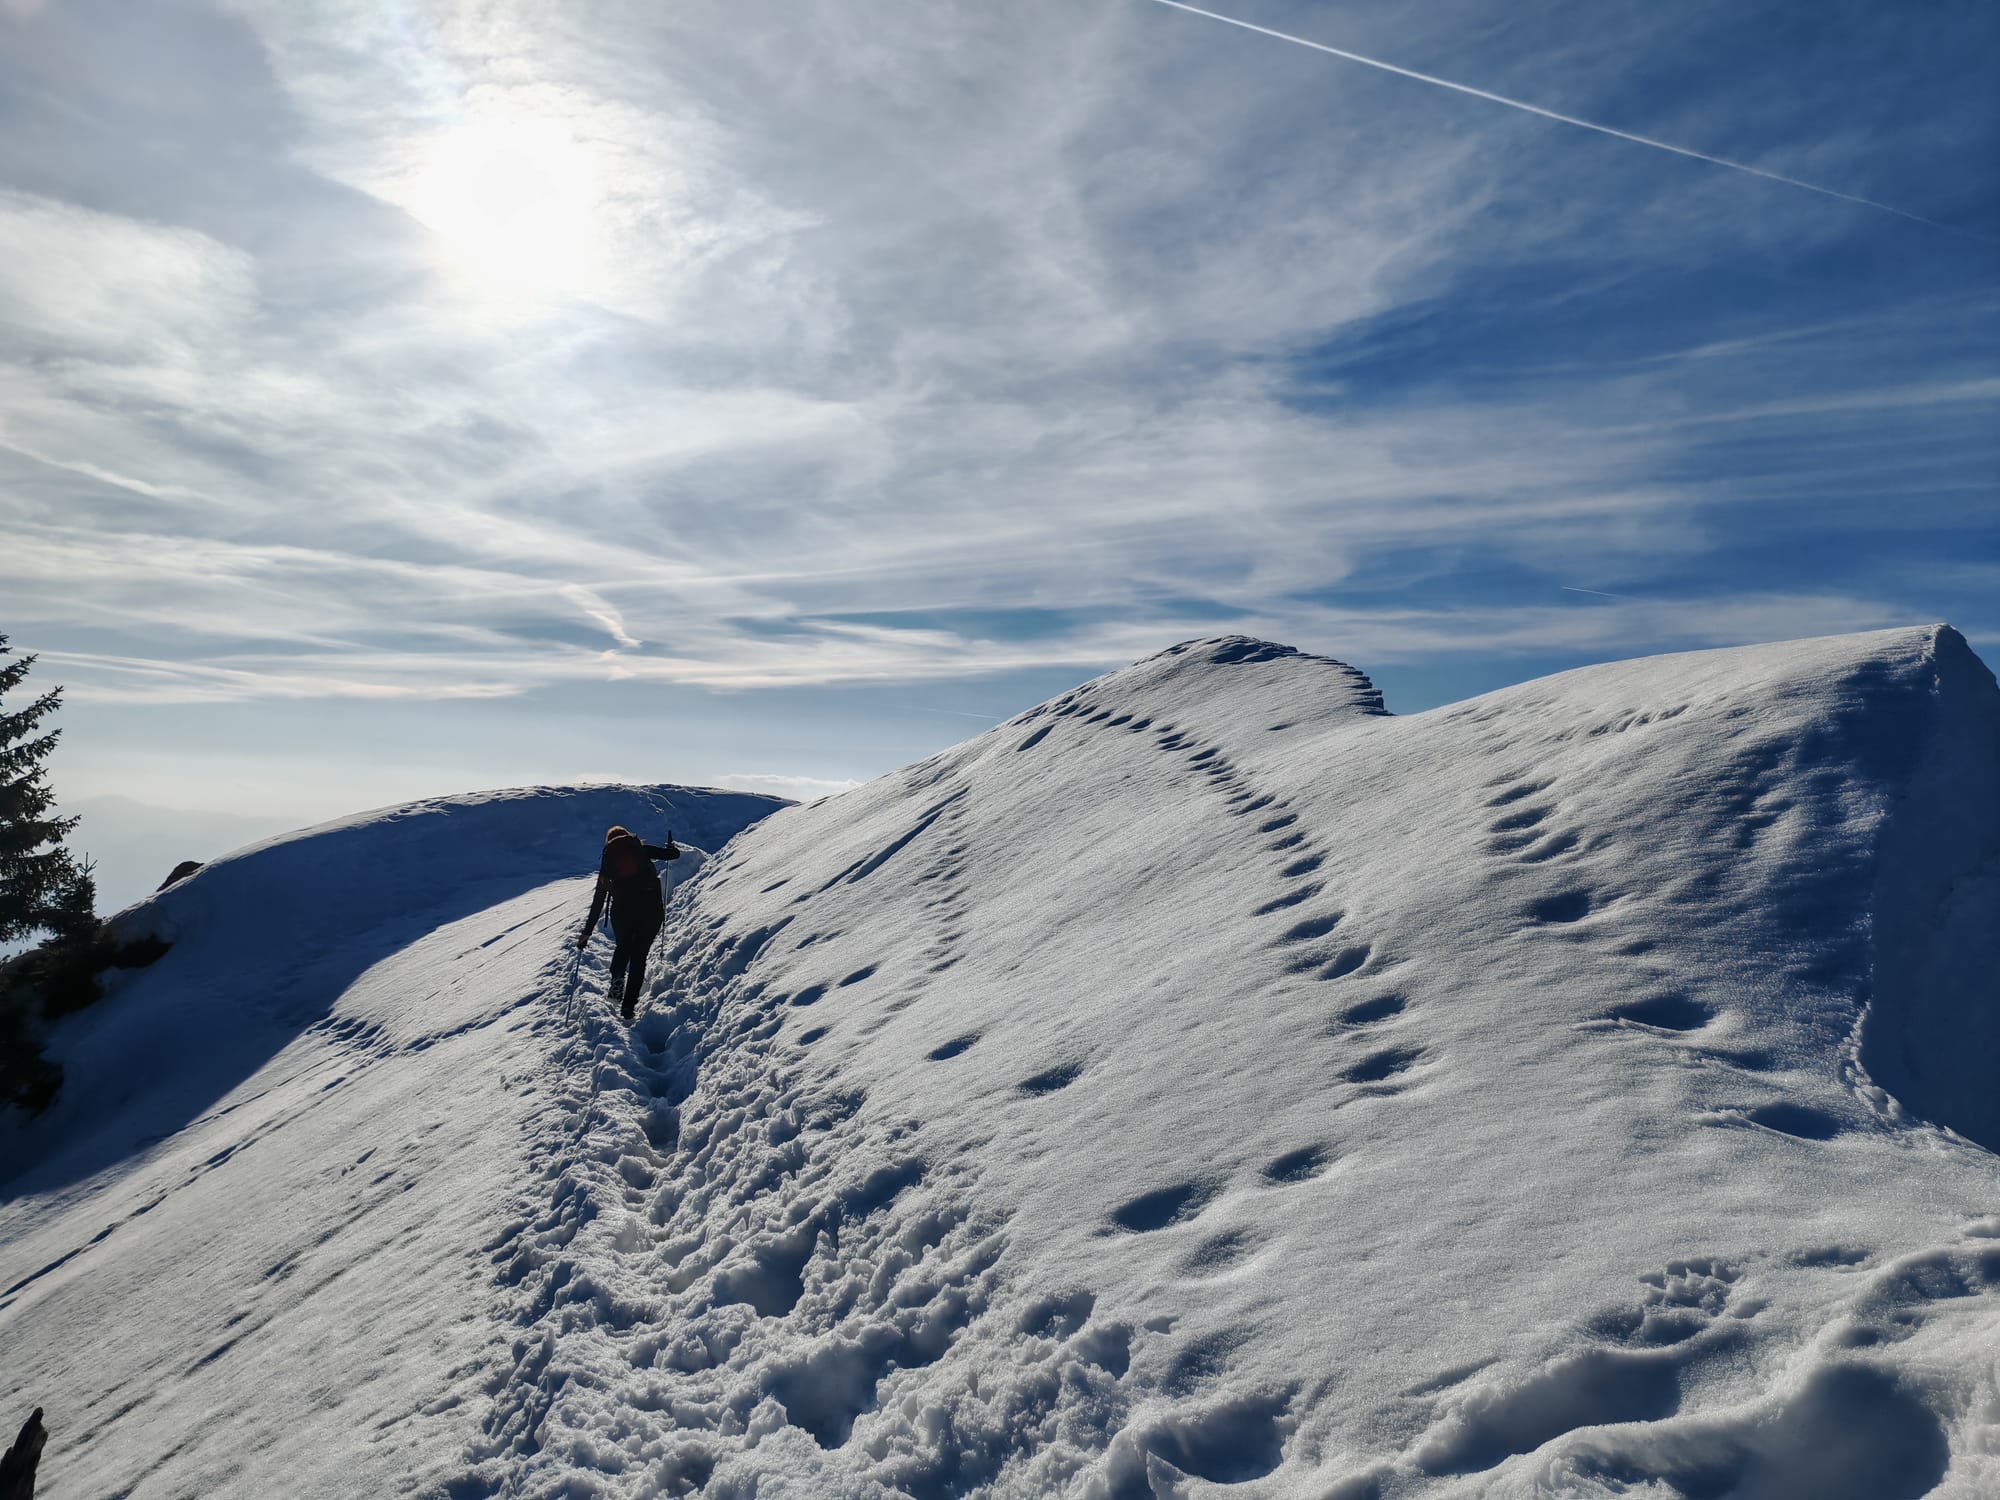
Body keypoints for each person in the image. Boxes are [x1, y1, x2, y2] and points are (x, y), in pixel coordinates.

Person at [578, 825, 680, 1020]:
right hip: (650, 911)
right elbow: (673, 855)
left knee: (623, 946)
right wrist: (671, 846)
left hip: (622, 913)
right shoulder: (642, 849)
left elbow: (599, 898)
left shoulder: (608, 860)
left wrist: (587, 932)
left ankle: (617, 976)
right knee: (639, 957)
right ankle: (628, 1007)